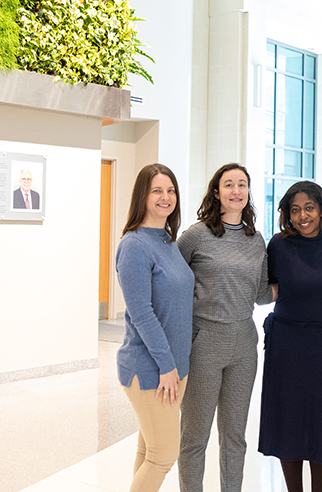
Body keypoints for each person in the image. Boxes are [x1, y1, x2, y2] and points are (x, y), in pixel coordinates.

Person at [177, 163, 273, 492]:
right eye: (228, 185)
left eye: (242, 185)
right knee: (194, 438)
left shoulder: (256, 239)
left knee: (234, 438)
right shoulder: (195, 236)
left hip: (244, 345)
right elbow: (172, 280)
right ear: (216, 192)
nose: (236, 191)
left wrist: (306, 286)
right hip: (204, 343)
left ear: (248, 193)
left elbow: (261, 294)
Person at [258, 181, 322, 492]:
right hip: (287, 344)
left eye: (309, 208)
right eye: (294, 210)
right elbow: (266, 289)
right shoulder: (279, 245)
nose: (302, 216)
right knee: (290, 422)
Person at [115, 163, 193, 492]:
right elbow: (142, 313)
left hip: (173, 367)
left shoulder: (166, 240)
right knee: (163, 456)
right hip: (152, 369)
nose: (165, 197)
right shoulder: (134, 245)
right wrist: (166, 365)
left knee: (149, 451)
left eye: (170, 190)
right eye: (156, 190)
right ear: (142, 197)